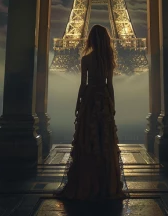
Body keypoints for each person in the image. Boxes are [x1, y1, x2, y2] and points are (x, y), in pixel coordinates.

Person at [56, 24, 128, 203]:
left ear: (90, 40)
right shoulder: (107, 58)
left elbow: (83, 84)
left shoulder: (86, 59)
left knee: (87, 139)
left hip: (89, 100)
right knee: (105, 139)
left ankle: (87, 182)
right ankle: (105, 183)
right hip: (102, 99)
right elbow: (109, 84)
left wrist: (78, 102)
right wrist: (112, 104)